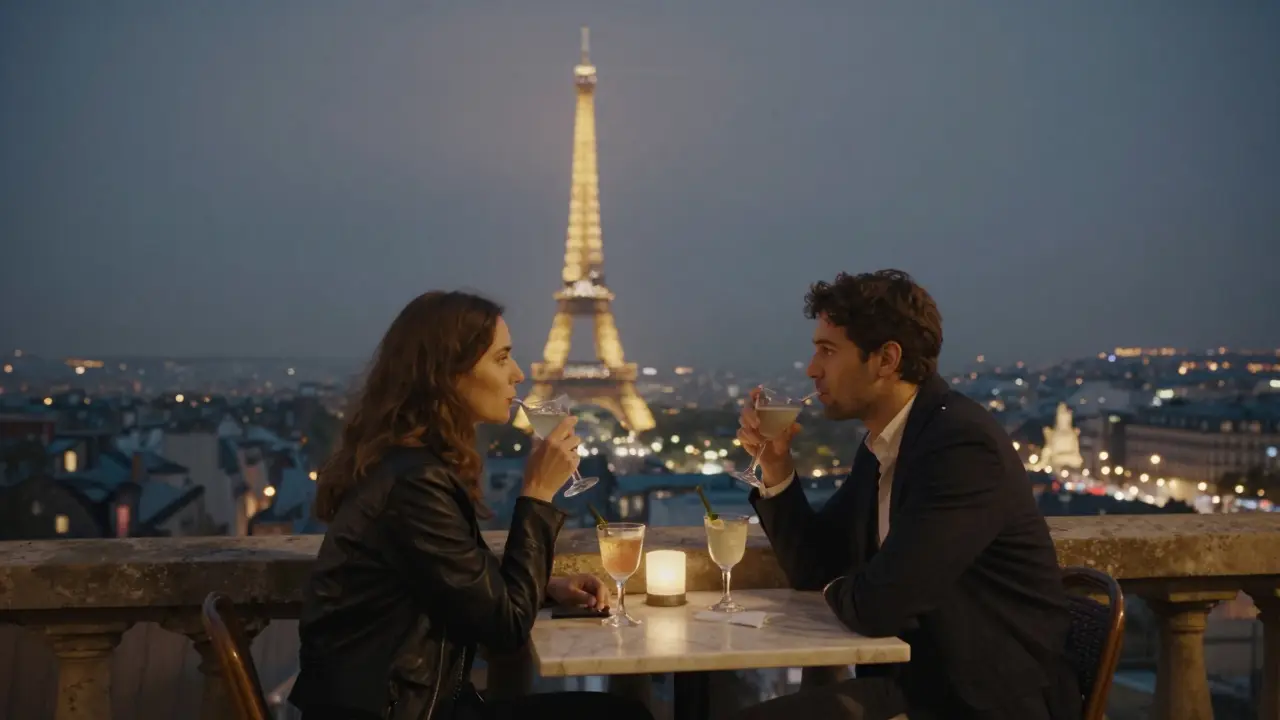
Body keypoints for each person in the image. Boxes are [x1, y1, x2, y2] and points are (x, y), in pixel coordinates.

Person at [290, 291, 653, 720]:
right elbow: (506, 628)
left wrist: (545, 587)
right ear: (448, 373)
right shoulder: (416, 483)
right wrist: (536, 493)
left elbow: (454, 579)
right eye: (501, 359)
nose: (519, 374)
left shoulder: (405, 466)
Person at [734, 270, 1081, 720]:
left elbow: (878, 607)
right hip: (918, 689)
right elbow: (813, 564)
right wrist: (777, 464)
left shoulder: (960, 447)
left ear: (886, 359)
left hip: (979, 703)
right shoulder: (889, 443)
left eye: (827, 350)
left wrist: (841, 584)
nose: (812, 368)